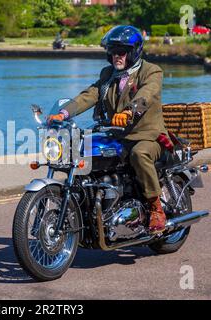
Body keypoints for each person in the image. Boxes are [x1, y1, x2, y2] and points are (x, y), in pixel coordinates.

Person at [47, 25, 170, 234]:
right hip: (117, 135)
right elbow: (89, 95)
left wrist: (130, 112)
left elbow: (147, 94)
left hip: (147, 136)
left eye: (121, 52)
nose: (116, 57)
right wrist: (63, 114)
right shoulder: (108, 74)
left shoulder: (151, 71)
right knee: (82, 149)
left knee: (139, 154)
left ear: (133, 52)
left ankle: (155, 207)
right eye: (112, 52)